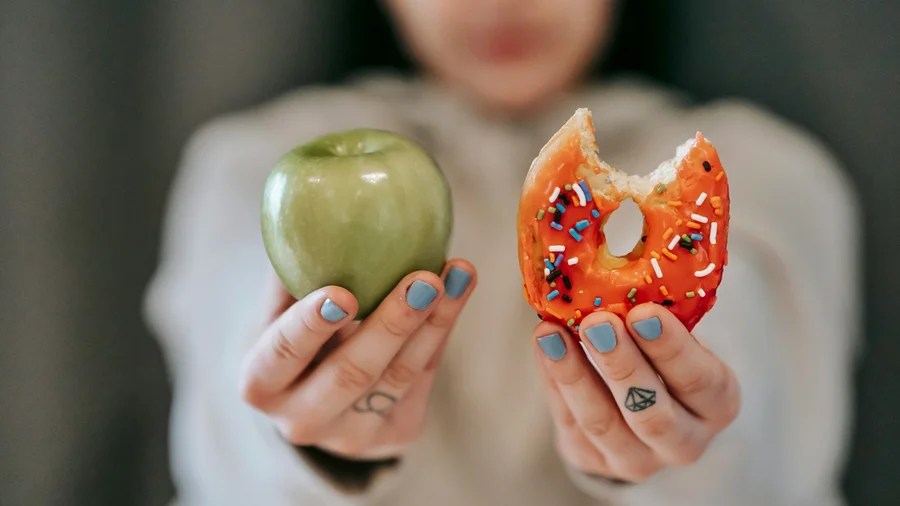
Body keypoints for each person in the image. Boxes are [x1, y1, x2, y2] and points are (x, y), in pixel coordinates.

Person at [145, 0, 859, 504]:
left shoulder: (769, 169)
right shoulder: (246, 166)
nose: (500, 1)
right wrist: (302, 436)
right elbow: (224, 412)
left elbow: (762, 392)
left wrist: (686, 440)